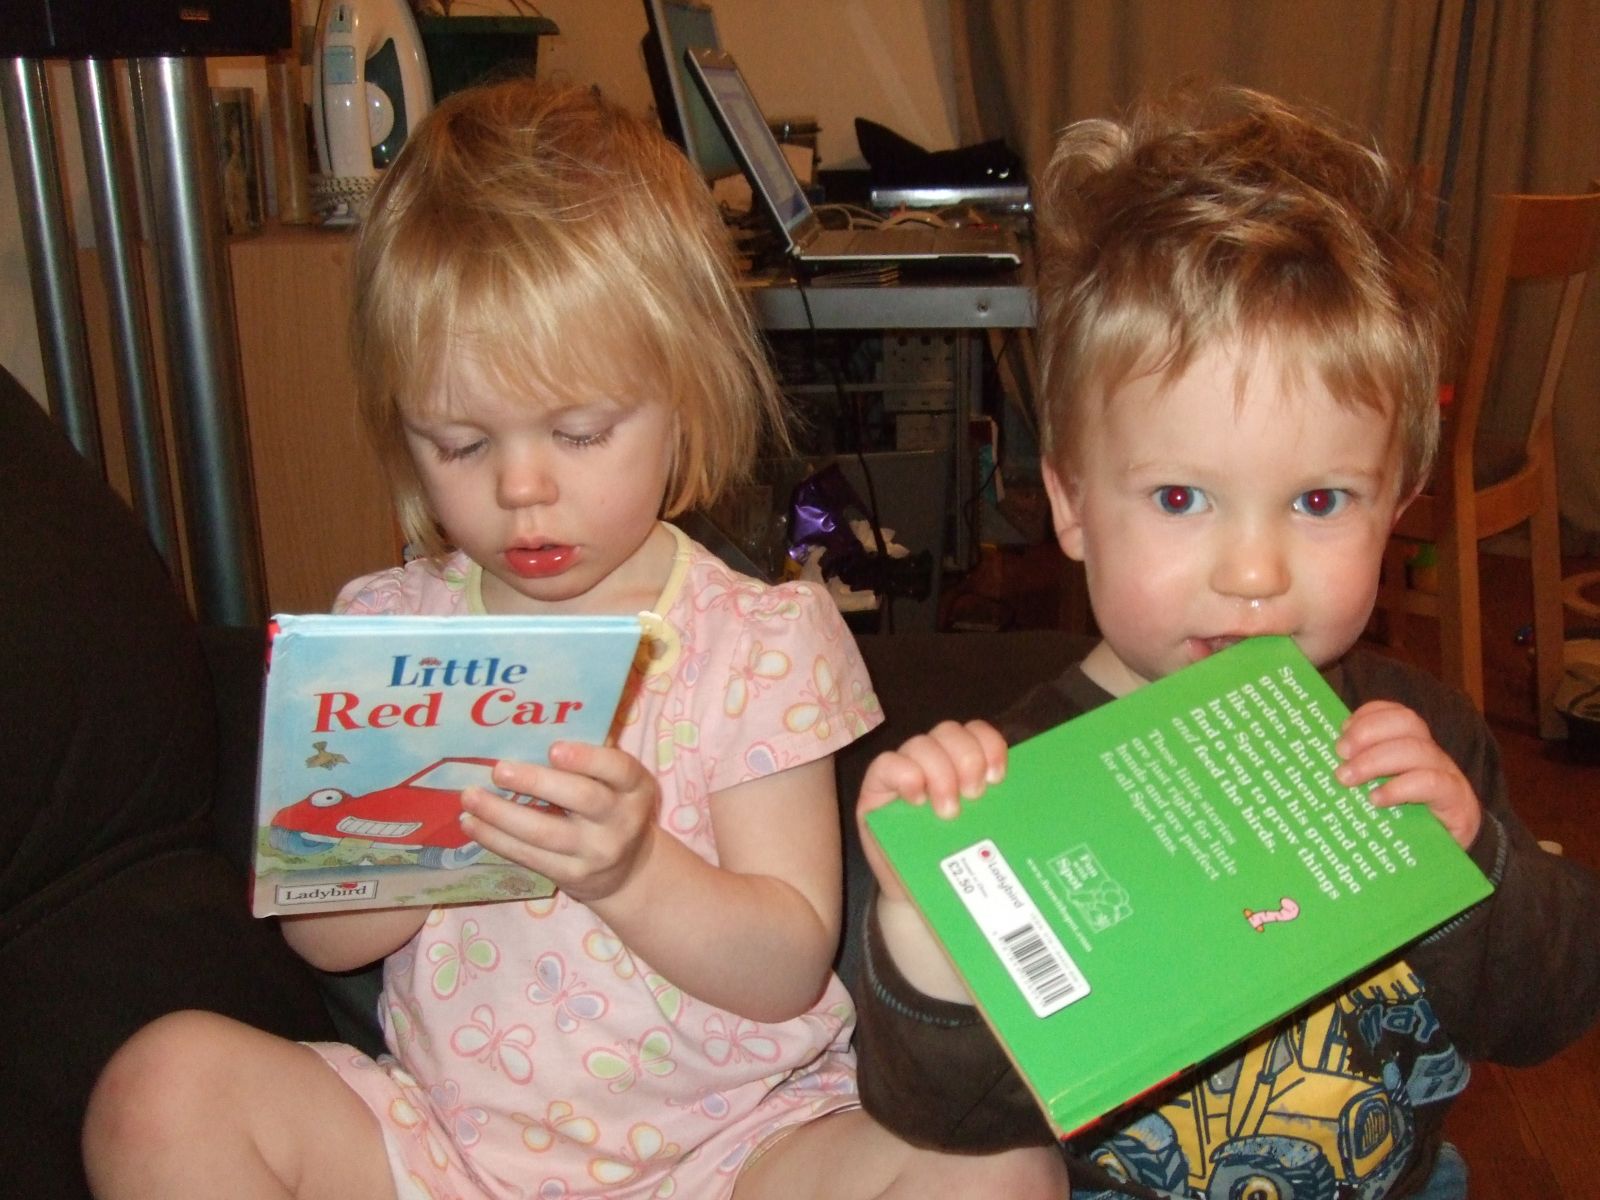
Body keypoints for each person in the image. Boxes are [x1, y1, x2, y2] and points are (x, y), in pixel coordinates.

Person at [80, 80, 1060, 1200]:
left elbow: (787, 965)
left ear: (684, 400)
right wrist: (414, 836)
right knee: (159, 1091)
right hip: (443, 1152)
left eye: (581, 432)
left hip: (735, 1154)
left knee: (997, 1169)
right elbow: (320, 941)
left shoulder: (757, 643)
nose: (521, 489)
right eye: (459, 443)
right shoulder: (390, 633)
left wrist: (635, 872)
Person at [852, 85, 1600, 1200]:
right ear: (1070, 505)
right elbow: (939, 1117)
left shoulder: (1420, 739)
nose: (1253, 574)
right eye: (1179, 497)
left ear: (1397, 506)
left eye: (1318, 501)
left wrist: (1472, 862)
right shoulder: (1021, 784)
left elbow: (1553, 1006)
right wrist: (925, 928)